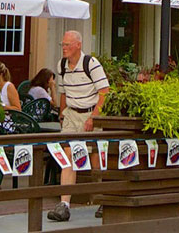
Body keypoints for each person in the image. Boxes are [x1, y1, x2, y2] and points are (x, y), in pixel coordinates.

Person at [48, 30, 109, 223]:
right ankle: (64, 204)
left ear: (78, 46)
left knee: (94, 158)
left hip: (90, 114)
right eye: (62, 44)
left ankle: (102, 199)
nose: (64, 48)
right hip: (71, 115)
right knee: (68, 156)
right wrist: (62, 113)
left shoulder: (91, 64)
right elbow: (63, 92)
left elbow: (105, 92)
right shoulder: (62, 66)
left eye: (67, 45)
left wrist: (94, 118)